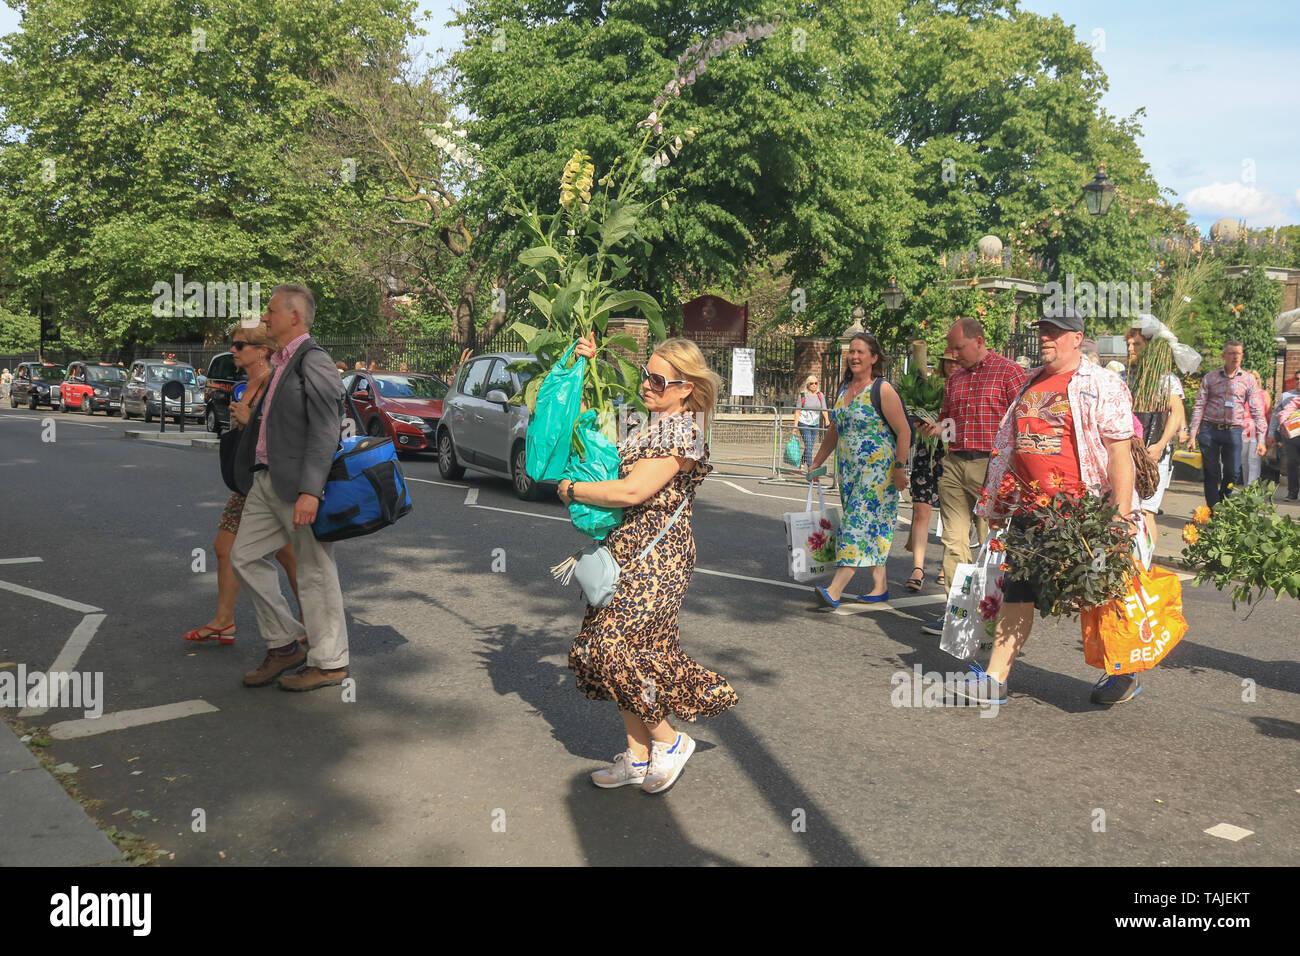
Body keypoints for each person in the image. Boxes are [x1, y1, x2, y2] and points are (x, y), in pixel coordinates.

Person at [560, 333, 737, 794]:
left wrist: (571, 491)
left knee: (611, 650)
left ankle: (669, 740)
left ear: (684, 387)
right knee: (635, 656)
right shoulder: (645, 426)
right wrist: (584, 367)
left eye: (659, 380)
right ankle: (638, 757)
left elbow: (632, 492)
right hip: (625, 553)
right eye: (646, 374)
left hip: (657, 560)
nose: (648, 385)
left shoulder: (683, 432)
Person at [958, 306, 1140, 706]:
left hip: (1084, 511)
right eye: (1042, 330)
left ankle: (1123, 671)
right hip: (1032, 509)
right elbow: (1010, 450)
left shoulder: (1102, 384)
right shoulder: (1029, 383)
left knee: (1100, 593)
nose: (1045, 338)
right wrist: (997, 504)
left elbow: (1119, 454)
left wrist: (1120, 516)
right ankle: (995, 678)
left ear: (1077, 338)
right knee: (1017, 592)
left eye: (1055, 332)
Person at [230, 283, 349, 692]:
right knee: (243, 557)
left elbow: (326, 427)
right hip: (267, 479)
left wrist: (311, 491)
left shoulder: (312, 360)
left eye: (271, 312)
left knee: (315, 572)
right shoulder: (283, 361)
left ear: (294, 317)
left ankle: (330, 662)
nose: (265, 318)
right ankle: (285, 644)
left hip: (298, 484)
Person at [184, 322, 302, 644]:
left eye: (239, 345)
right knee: (225, 547)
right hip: (247, 482)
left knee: (287, 555)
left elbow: (287, 430)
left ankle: (307, 622)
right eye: (232, 344)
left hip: (271, 480)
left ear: (262, 351)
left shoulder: (273, 385)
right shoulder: (244, 386)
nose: (232, 350)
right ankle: (224, 620)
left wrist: (251, 421)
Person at [918, 318, 1027, 636]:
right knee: (953, 542)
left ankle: (989, 615)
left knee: (990, 546)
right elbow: (947, 421)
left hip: (990, 468)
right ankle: (957, 612)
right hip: (954, 464)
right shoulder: (955, 380)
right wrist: (935, 428)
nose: (953, 354)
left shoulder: (1008, 372)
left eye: (958, 347)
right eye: (951, 348)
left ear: (978, 341)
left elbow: (1024, 420)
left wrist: (1015, 471)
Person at [806, 333, 910, 608]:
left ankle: (836, 589)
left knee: (855, 526)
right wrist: (817, 461)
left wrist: (900, 468)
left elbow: (904, 431)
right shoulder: (843, 389)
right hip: (850, 472)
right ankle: (880, 586)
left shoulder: (882, 389)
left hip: (879, 471)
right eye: (851, 351)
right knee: (870, 528)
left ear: (874, 358)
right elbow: (834, 431)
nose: (854, 356)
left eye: (861, 352)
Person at [1126, 319, 1186, 547]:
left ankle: (1146, 564)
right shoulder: (1126, 376)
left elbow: (1177, 413)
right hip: (1129, 452)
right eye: (1128, 344)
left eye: (1136, 344)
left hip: (1154, 455)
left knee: (1146, 511)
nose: (1131, 349)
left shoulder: (1165, 379)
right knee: (1128, 508)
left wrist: (1160, 445)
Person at [1188, 342, 1266, 507]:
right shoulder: (1210, 378)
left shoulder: (1248, 380)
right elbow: (1199, 405)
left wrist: (1261, 440)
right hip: (1209, 430)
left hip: (1234, 431)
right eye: (1231, 353)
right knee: (1211, 472)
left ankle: (1223, 502)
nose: (1235, 356)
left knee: (1233, 472)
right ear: (1224, 356)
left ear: (1242, 355)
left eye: (1238, 353)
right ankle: (1214, 509)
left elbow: (1257, 410)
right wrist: (1193, 433)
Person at [904, 355, 955, 591]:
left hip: (952, 458)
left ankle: (948, 566)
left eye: (956, 360)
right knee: (921, 511)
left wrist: (942, 431)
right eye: (948, 361)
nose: (952, 365)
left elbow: (963, 431)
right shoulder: (931, 388)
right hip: (926, 456)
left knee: (951, 516)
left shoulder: (966, 388)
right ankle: (918, 568)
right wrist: (919, 424)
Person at [1268, 384, 1300, 500]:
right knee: (1292, 463)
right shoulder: (1292, 398)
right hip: (1292, 435)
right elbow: (1288, 409)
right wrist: (1284, 420)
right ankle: (1292, 492)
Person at [1240, 369, 1271, 486]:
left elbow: (1268, 413)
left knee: (1253, 459)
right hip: (1243, 431)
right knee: (1244, 460)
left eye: (1256, 378)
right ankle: (1246, 485)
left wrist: (1267, 435)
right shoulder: (1242, 394)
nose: (1254, 381)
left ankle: (1251, 487)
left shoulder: (1264, 394)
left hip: (1257, 431)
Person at [794, 373, 829, 468]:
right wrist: (795, 426)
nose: (814, 385)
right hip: (803, 423)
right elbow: (797, 412)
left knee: (810, 446)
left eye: (816, 383)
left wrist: (827, 419)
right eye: (811, 383)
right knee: (808, 445)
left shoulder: (820, 395)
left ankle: (802, 461)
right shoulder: (802, 395)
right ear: (807, 385)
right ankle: (811, 468)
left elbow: (824, 409)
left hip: (815, 423)